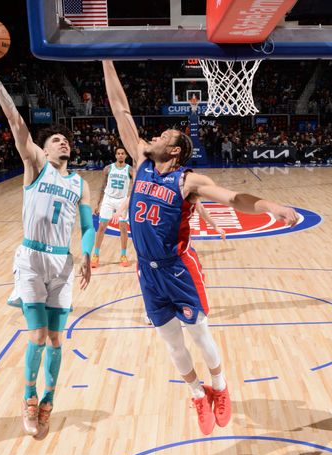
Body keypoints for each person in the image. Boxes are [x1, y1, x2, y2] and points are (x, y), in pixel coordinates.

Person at [102, 60, 298, 435]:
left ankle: (220, 389)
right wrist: (106, 59)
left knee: (199, 335)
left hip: (178, 269)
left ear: (175, 152)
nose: (154, 138)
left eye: (163, 137)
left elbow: (232, 198)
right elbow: (119, 109)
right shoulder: (142, 161)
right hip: (147, 272)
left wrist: (270, 206)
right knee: (172, 344)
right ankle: (196, 393)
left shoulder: (188, 180)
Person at [0, 46, 95, 439]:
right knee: (37, 336)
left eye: (65, 140)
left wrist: (89, 254)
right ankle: (27, 397)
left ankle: (48, 402)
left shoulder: (80, 183)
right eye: (56, 139)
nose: (63, 142)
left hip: (62, 264)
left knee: (58, 339)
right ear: (44, 149)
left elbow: (88, 226)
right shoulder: (36, 167)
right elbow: (14, 119)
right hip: (31, 258)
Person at [91, 147, 134, 268]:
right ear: (115, 155)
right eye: (118, 153)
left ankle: (123, 255)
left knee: (123, 228)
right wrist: (98, 203)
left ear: (125, 156)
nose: (120, 155)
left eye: (122, 154)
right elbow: (102, 186)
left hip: (122, 200)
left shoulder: (130, 170)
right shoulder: (108, 168)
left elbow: (134, 186)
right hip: (108, 199)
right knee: (101, 227)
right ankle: (96, 255)